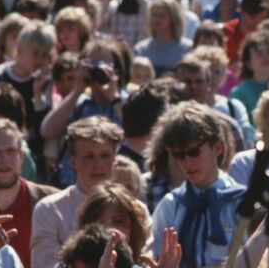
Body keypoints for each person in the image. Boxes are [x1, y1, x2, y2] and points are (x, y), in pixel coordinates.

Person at [150, 101, 245, 267]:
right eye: (179, 155)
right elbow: (156, 256)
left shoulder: (241, 202)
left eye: (194, 152)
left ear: (217, 148)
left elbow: (256, 258)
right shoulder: (171, 205)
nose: (187, 162)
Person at [31, 117, 127, 268]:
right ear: (73, 162)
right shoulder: (49, 210)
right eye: (89, 156)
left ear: (115, 159)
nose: (98, 164)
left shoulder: (133, 209)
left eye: (105, 155)